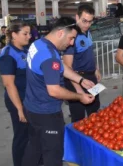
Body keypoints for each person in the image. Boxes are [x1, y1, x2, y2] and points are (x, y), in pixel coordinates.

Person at [22, 17, 95, 166]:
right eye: (71, 38)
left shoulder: (39, 43)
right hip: (46, 114)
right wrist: (79, 96)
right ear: (61, 33)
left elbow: (61, 67)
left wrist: (80, 80)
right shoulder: (50, 56)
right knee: (53, 154)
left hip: (32, 107)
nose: (72, 43)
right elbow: (54, 91)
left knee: (34, 147)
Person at [0, 23, 31, 166]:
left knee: (31, 133)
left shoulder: (25, 50)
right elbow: (9, 84)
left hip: (28, 98)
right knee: (21, 135)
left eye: (29, 33)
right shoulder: (8, 54)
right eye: (25, 33)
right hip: (17, 100)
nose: (29, 36)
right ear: (14, 35)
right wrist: (19, 108)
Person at [63, 5, 101, 123]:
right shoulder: (71, 37)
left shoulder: (87, 32)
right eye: (84, 21)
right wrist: (79, 91)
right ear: (77, 17)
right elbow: (67, 67)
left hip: (90, 77)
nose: (87, 25)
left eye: (90, 21)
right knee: (78, 118)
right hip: (76, 80)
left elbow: (89, 53)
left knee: (94, 112)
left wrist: (95, 70)